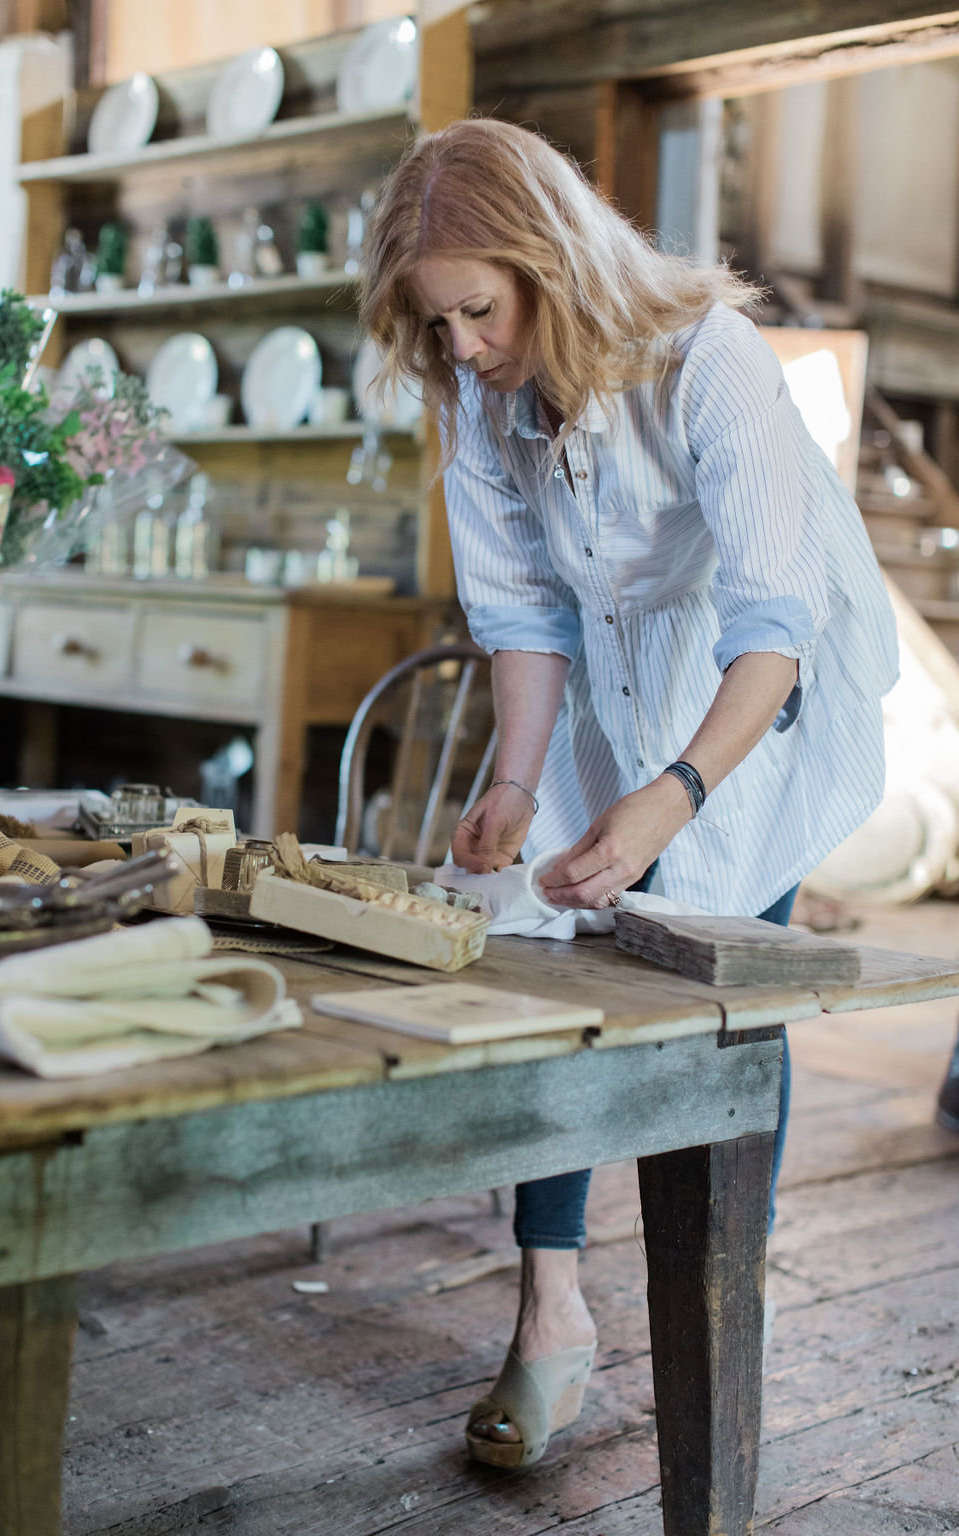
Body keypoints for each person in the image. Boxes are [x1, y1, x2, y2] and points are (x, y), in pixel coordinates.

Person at [360, 116, 898, 1470]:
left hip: (749, 684)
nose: (468, 344)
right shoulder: (476, 387)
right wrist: (514, 775)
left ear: (550, 261)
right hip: (609, 665)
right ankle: (551, 1317)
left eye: (482, 310)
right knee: (554, 974)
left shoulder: (710, 359)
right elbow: (526, 609)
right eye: (443, 324)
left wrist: (679, 794)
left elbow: (769, 625)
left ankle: (730, 1287)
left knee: (723, 993)